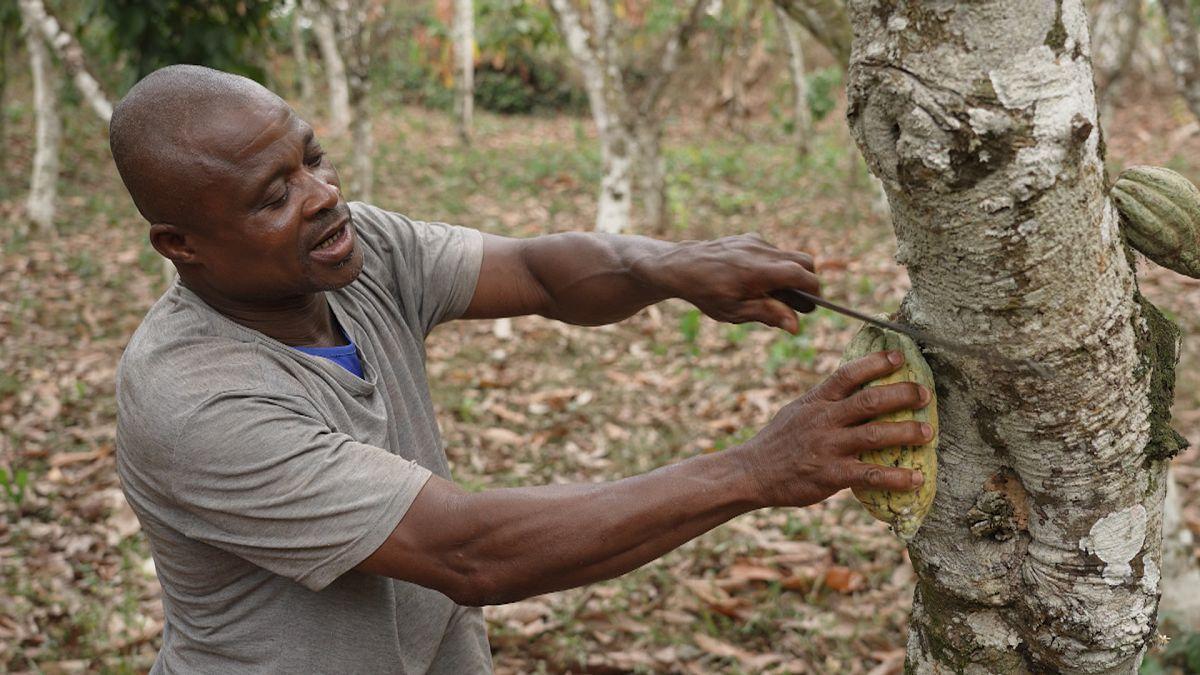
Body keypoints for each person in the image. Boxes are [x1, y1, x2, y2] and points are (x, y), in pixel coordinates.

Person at [110, 64, 930, 674]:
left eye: (313, 159)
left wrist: (668, 266)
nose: (322, 195)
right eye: (272, 195)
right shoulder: (195, 396)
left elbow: (537, 273)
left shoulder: (349, 251)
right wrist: (756, 469)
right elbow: (470, 552)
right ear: (180, 244)